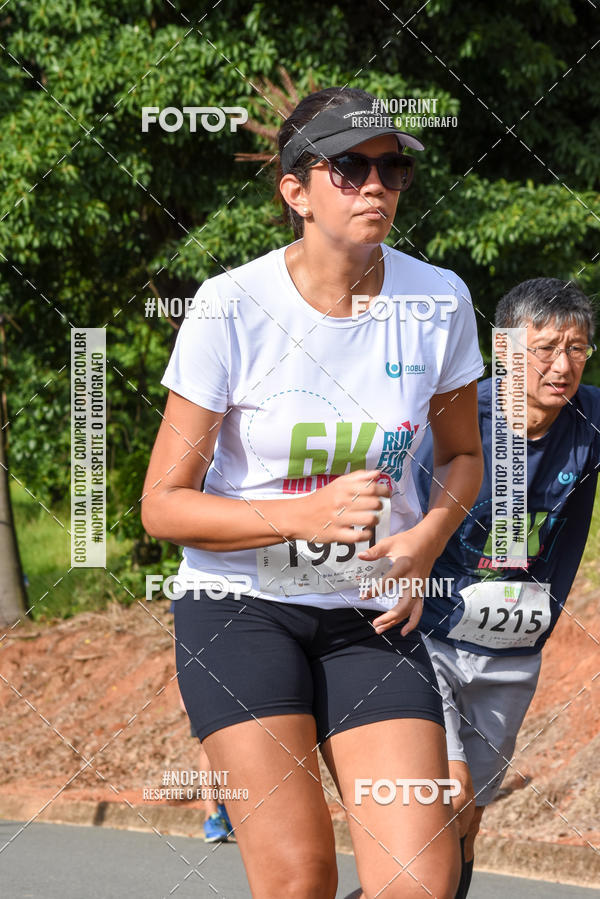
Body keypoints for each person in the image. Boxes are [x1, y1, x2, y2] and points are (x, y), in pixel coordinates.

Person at [142, 87, 485, 899]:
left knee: (419, 882)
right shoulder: (231, 307)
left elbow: (465, 456)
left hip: (368, 611)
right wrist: (298, 514)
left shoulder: (438, 300)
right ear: (295, 190)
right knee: (299, 879)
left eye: (392, 167)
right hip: (239, 606)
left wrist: (422, 542)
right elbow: (162, 504)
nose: (377, 184)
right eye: (350, 167)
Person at [413, 278, 599, 898]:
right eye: (544, 348)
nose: (562, 365)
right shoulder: (455, 420)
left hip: (514, 654)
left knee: (468, 819)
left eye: (577, 348)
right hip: (428, 642)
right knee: (448, 791)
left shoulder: (589, 423)